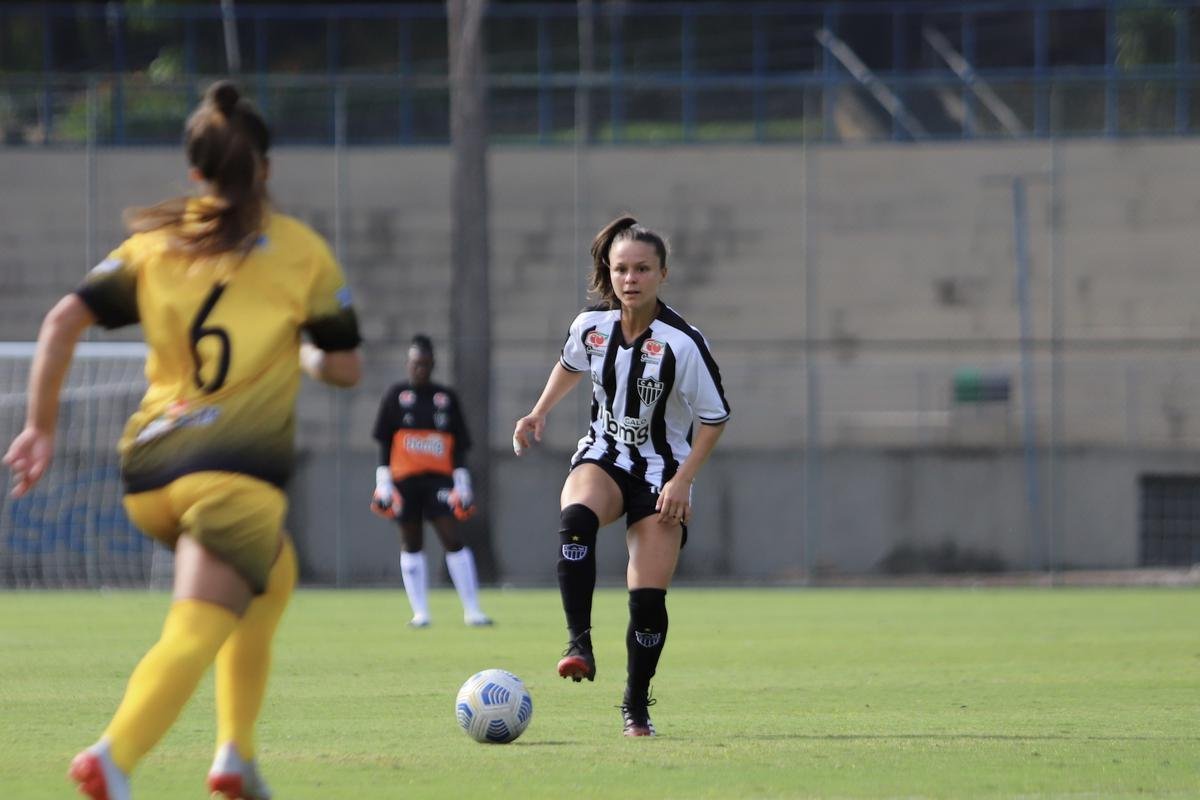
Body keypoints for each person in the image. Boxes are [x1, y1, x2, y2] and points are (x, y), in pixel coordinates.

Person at [2, 81, 362, 800]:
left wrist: (40, 426)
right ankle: (115, 755)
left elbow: (59, 324)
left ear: (196, 173)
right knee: (196, 626)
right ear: (265, 168)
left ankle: (236, 755)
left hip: (148, 468)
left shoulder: (153, 244)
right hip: (232, 475)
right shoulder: (301, 253)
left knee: (273, 575)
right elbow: (346, 368)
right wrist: (298, 351)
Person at [512, 215, 730, 737]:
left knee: (648, 603)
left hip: (662, 476)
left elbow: (715, 419)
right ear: (608, 274)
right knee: (575, 519)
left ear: (662, 274)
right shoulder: (591, 327)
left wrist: (682, 482)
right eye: (621, 269)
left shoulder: (682, 343)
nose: (630, 279)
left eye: (642, 269)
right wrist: (539, 412)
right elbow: (570, 363)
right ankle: (579, 643)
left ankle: (635, 704)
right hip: (605, 456)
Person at [371, 334, 492, 627]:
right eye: (415, 363)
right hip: (404, 481)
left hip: (439, 481)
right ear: (408, 364)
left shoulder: (445, 398)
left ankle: (472, 609)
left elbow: (459, 446)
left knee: (452, 537)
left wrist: (462, 484)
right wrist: (383, 481)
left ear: (433, 363)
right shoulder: (396, 396)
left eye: (425, 363)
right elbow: (385, 443)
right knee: (411, 541)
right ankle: (420, 612)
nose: (420, 369)